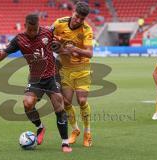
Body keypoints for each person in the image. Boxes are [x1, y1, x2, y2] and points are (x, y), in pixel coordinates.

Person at [0, 13, 72, 153]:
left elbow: (60, 45)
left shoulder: (48, 32)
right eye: (30, 30)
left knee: (58, 104)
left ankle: (65, 143)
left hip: (52, 76)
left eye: (35, 30)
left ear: (39, 26)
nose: (33, 33)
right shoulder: (19, 39)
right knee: (27, 103)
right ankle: (40, 127)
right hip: (35, 79)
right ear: (25, 26)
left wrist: (62, 47)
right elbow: (3, 54)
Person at [52, 1, 93, 147]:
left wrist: (74, 49)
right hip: (65, 69)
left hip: (82, 69)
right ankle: (75, 130)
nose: (78, 20)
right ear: (73, 12)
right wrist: (58, 48)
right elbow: (49, 40)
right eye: (76, 16)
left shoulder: (87, 30)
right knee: (67, 102)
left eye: (82, 19)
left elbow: (90, 53)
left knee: (81, 101)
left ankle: (88, 132)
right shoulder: (59, 23)